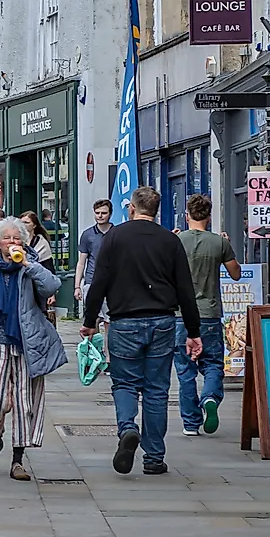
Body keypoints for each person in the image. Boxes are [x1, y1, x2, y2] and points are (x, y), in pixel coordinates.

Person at [79, 187, 202, 477]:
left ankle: (127, 429)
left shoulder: (114, 237)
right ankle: (154, 458)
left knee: (124, 384)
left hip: (123, 322)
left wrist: (90, 320)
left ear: (132, 208)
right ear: (156, 211)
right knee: (156, 390)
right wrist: (193, 331)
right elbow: (185, 288)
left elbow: (99, 282)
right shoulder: (170, 241)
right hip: (162, 322)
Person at [0, 217, 67, 480]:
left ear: (24, 241)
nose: (12, 243)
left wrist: (28, 265)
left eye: (17, 238)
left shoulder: (30, 266)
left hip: (26, 344)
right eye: (7, 238)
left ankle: (18, 460)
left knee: (24, 403)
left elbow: (53, 286)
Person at [176, 193, 238, 436]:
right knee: (212, 364)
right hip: (210, 313)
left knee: (185, 370)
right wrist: (226, 245)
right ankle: (210, 398)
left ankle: (191, 423)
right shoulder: (219, 243)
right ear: (209, 217)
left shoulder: (177, 241)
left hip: (181, 314)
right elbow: (235, 273)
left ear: (187, 215)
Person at [75, 198, 115, 303]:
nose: (100, 216)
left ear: (110, 214)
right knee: (93, 316)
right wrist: (77, 286)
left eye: (104, 213)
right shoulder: (87, 235)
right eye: (97, 213)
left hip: (113, 282)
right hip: (91, 281)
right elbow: (81, 263)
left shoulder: (117, 233)